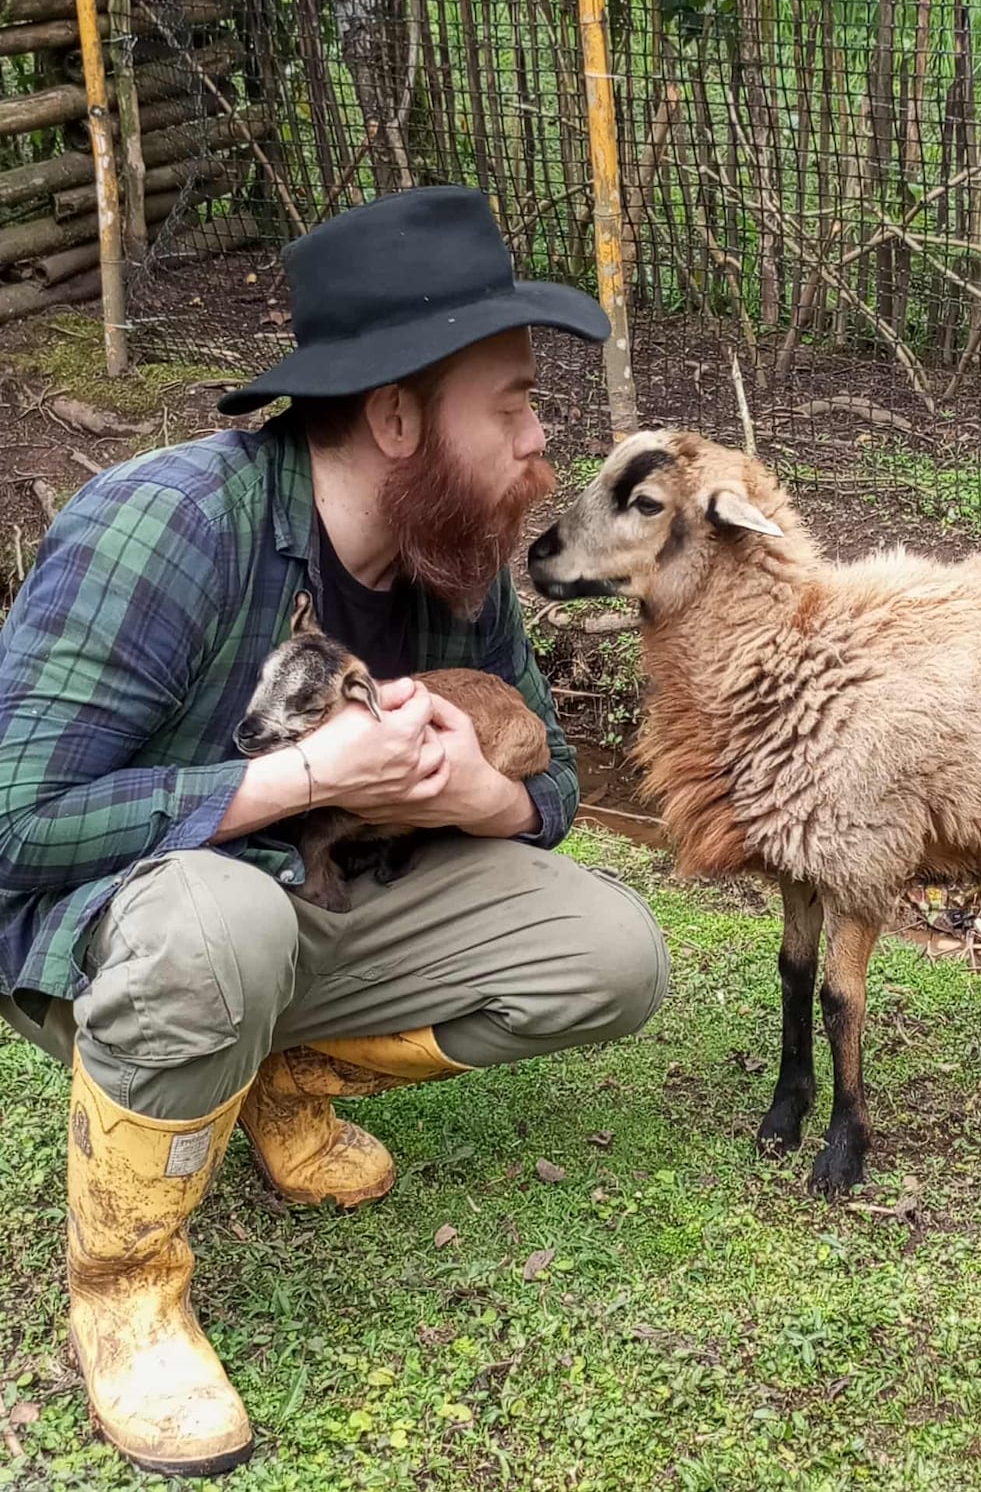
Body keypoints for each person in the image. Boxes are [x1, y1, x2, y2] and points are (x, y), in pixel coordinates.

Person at [0, 186, 670, 1478]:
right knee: (226, 920)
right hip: (133, 924)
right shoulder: (172, 527)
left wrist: (490, 799)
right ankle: (127, 1288)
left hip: (318, 910)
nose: (543, 444)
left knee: (611, 953)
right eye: (514, 405)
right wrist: (303, 776)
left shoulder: (454, 552)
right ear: (398, 415)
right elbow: (14, 816)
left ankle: (282, 1079)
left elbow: (559, 781)